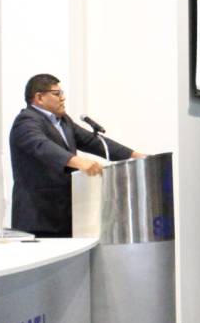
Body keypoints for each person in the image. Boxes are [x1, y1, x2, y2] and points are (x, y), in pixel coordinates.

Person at [8, 73, 142, 239]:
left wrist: (134, 155)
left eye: (62, 93)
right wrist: (78, 161)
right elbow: (42, 146)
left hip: (65, 214)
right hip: (39, 217)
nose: (63, 98)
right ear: (39, 97)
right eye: (57, 93)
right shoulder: (26, 121)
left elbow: (93, 142)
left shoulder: (64, 121)